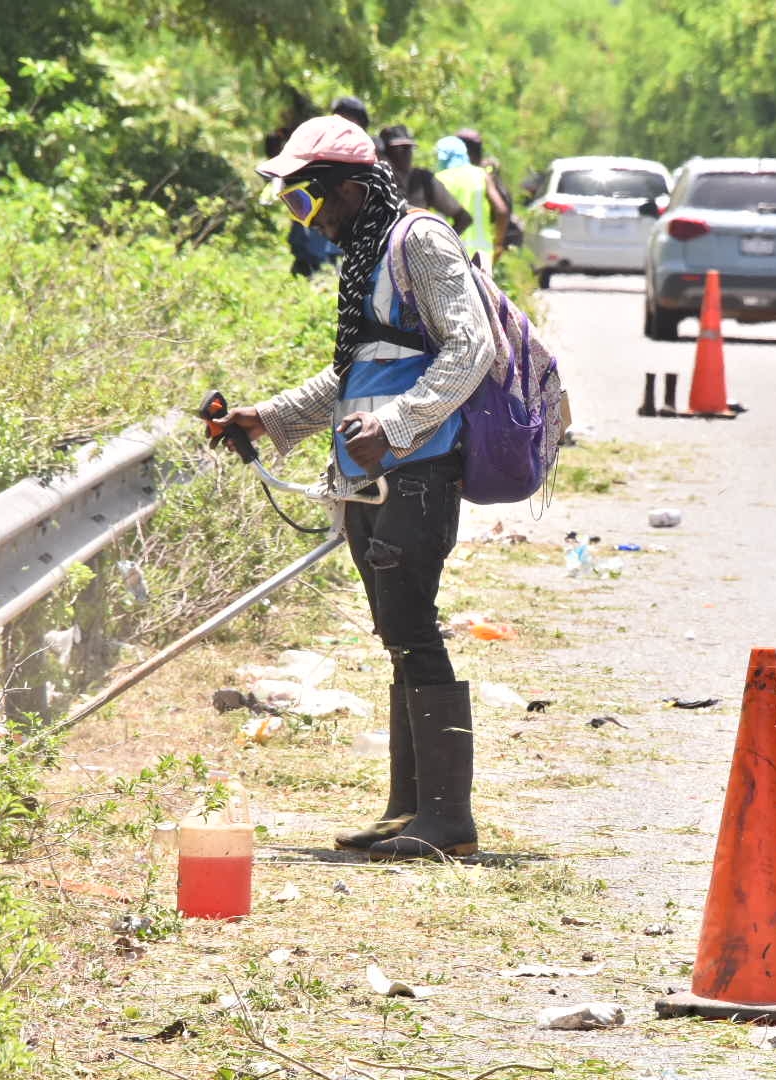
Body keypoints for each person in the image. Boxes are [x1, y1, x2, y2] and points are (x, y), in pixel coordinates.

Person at [225, 115, 496, 861]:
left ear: (348, 190)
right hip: (372, 476)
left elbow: (474, 347)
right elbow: (356, 377)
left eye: (305, 204)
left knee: (413, 626)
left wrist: (402, 426)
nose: (304, 220)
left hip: (417, 469)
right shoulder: (366, 254)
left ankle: (449, 819)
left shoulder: (420, 241)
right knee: (397, 634)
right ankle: (409, 808)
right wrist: (271, 418)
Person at [377, 124, 471, 233]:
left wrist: (440, 243)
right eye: (399, 148)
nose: (406, 153)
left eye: (409, 148)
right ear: (384, 153)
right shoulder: (375, 182)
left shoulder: (424, 180)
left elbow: (464, 218)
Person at [433, 135, 508, 269]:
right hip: (482, 257)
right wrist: (498, 244)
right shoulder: (481, 175)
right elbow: (502, 211)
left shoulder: (438, 179)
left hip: (449, 256)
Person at [455, 127, 522, 249]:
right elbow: (502, 211)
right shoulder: (485, 174)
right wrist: (498, 242)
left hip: (452, 250)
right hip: (482, 252)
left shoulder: (446, 176)